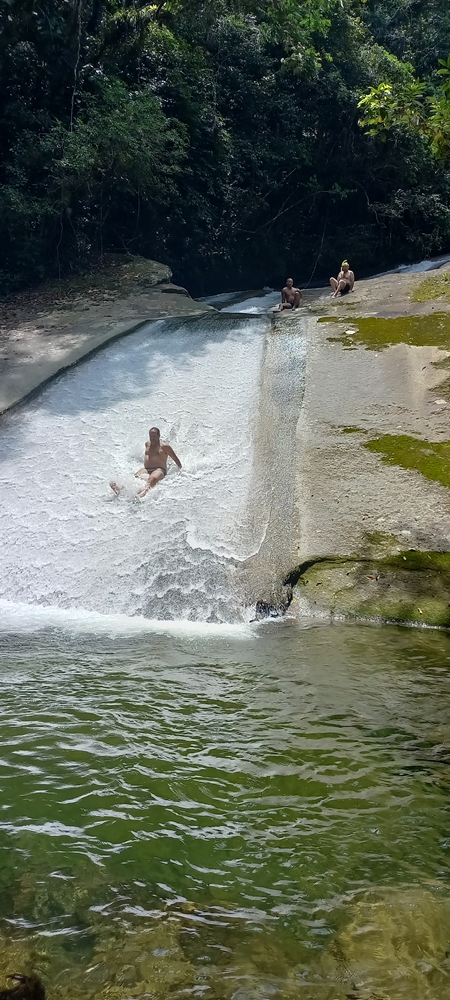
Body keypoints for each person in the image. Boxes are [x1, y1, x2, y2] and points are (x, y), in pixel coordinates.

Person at [110, 427, 182, 499]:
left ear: (158, 436)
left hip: (159, 469)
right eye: (151, 436)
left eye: (154, 436)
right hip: (147, 469)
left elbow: (175, 458)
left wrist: (181, 470)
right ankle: (122, 489)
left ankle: (143, 493)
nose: (152, 438)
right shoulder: (147, 444)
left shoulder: (165, 447)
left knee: (152, 478)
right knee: (136, 477)